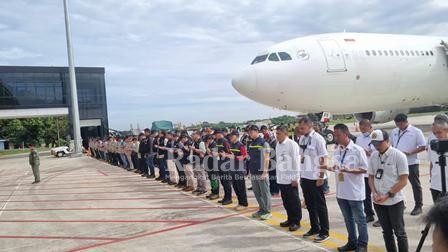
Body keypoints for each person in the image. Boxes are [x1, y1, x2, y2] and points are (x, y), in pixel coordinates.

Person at [368, 129, 409, 252]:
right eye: (374, 144)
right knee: (386, 232)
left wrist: (388, 195)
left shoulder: (398, 156)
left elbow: (403, 180)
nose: (376, 147)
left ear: (387, 141)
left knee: (399, 232)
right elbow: (371, 177)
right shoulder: (374, 156)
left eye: (379, 143)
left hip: (394, 201)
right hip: (378, 201)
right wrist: (374, 193)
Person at [331, 124, 369, 252]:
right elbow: (336, 166)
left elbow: (365, 169)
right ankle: (352, 242)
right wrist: (329, 168)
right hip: (341, 191)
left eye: (338, 135)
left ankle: (362, 244)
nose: (336, 137)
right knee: (348, 219)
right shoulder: (338, 149)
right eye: (335, 135)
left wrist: (349, 170)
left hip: (354, 191)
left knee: (360, 220)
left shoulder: (357, 150)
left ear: (345, 134)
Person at [298, 116, 330, 242]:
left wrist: (321, 176)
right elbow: (301, 157)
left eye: (302, 127)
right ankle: (314, 227)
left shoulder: (318, 139)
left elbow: (323, 158)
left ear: (310, 126)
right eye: (299, 128)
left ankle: (324, 231)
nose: (300, 130)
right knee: (310, 204)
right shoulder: (302, 138)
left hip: (316, 177)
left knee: (320, 205)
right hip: (305, 176)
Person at [390, 113, 426, 216]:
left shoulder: (416, 132)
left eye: (400, 124)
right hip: (397, 163)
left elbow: (423, 146)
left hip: (411, 162)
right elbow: (391, 144)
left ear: (405, 122)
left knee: (415, 185)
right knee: (396, 184)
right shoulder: (394, 131)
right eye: (397, 124)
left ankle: (418, 205)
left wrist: (410, 152)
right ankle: (400, 204)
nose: (398, 126)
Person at [275, 125, 302, 232]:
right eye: (276, 134)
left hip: (291, 178)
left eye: (279, 134)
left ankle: (296, 221)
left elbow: (296, 162)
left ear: (285, 134)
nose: (276, 136)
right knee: (286, 201)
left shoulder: (292, 144)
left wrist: (295, 178)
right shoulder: (278, 144)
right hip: (281, 178)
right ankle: (290, 219)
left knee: (294, 201)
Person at [247, 125, 272, 220]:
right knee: (257, 192)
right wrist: (249, 171)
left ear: (257, 131)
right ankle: (262, 209)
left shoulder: (263, 143)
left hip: (262, 172)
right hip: (253, 171)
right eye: (249, 132)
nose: (249, 134)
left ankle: (268, 211)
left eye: (251, 132)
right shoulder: (251, 143)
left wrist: (265, 172)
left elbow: (267, 158)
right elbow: (250, 157)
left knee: (265, 192)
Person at [355, 119, 376, 224]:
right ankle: (369, 213)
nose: (362, 130)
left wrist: (365, 152)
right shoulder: (359, 138)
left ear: (369, 126)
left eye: (364, 128)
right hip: (363, 170)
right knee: (366, 194)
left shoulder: (375, 136)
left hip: (374, 170)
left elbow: (375, 152)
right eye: (361, 128)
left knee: (377, 192)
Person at [226, 130, 249, 211]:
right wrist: (226, 155)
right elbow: (232, 155)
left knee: (241, 187)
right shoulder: (232, 145)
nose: (230, 137)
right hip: (233, 169)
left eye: (232, 136)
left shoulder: (240, 145)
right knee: (235, 187)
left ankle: (244, 203)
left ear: (236, 136)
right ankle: (240, 203)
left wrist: (234, 157)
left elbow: (244, 157)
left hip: (239, 170)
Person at [427, 120, 448, 202]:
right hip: (435, 185)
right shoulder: (432, 146)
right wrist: (432, 179)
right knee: (438, 212)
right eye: (434, 133)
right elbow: (432, 164)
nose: (437, 135)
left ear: (446, 130)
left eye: (439, 132)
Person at [214, 129, 233, 205]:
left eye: (216, 134)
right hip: (220, 163)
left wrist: (220, 155)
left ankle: (229, 198)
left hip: (226, 164)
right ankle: (225, 197)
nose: (215, 136)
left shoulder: (225, 141)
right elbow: (220, 152)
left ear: (219, 134)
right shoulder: (218, 141)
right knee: (223, 182)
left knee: (226, 182)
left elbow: (229, 153)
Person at [262, 125, 279, 197]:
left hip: (273, 159)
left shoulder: (273, 140)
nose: (266, 139)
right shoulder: (266, 139)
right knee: (271, 176)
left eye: (266, 138)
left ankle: (275, 191)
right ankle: (272, 190)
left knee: (274, 176)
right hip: (269, 159)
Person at [191, 131, 207, 195]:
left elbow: (203, 151)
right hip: (195, 161)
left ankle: (203, 188)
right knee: (198, 175)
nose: (192, 135)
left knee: (201, 175)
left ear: (198, 135)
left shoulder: (201, 142)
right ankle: (199, 188)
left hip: (200, 161)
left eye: (193, 134)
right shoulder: (195, 142)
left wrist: (194, 149)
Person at [204, 134, 220, 200]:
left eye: (206, 140)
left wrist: (207, 148)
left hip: (214, 165)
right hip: (209, 164)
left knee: (214, 179)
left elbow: (212, 154)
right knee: (211, 179)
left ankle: (216, 193)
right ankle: (213, 192)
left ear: (210, 139)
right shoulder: (210, 144)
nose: (205, 142)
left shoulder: (214, 145)